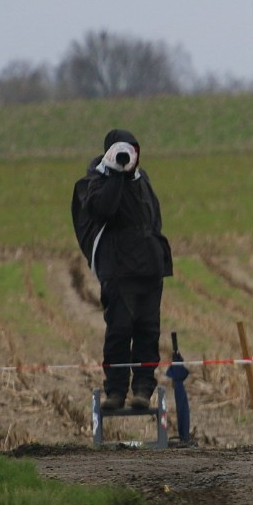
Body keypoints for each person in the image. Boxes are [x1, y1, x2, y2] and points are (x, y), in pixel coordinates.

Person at [70, 129, 173, 412]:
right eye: (122, 151)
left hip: (149, 270)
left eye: (133, 151)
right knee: (119, 331)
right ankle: (115, 391)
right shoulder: (94, 182)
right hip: (119, 271)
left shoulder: (143, 181)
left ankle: (142, 389)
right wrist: (114, 173)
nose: (129, 157)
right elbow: (102, 211)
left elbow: (154, 218)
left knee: (148, 332)